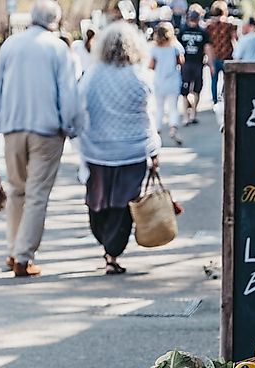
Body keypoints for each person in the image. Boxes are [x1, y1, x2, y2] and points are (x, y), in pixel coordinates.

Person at [0, 0, 81, 277]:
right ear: (55, 21)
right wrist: (73, 128)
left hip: (12, 130)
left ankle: (13, 251)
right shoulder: (58, 48)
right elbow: (68, 95)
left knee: (17, 192)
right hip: (46, 133)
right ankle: (24, 257)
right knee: (36, 196)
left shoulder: (10, 45)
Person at [79, 22, 162, 275]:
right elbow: (149, 118)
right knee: (123, 204)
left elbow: (78, 110)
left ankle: (108, 247)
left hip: (97, 152)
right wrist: (154, 150)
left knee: (98, 201)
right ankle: (113, 250)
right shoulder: (142, 77)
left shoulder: (91, 76)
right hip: (132, 152)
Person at [149, 22, 185, 145]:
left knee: (159, 108)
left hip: (159, 81)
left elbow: (151, 65)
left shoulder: (154, 49)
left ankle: (157, 130)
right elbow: (181, 61)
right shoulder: (175, 47)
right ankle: (173, 127)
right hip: (173, 80)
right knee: (173, 107)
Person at [179, 6, 212, 125]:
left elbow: (207, 48)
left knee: (196, 89)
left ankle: (192, 113)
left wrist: (210, 63)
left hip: (197, 63)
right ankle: (186, 115)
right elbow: (178, 49)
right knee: (185, 91)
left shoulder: (202, 32)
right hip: (187, 63)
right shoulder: (183, 30)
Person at [205, 1, 236, 104]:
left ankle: (215, 100)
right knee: (227, 80)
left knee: (214, 80)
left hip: (214, 56)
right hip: (227, 55)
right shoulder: (229, 24)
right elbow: (234, 38)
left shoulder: (209, 26)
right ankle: (225, 97)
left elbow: (208, 44)